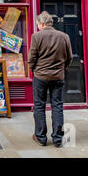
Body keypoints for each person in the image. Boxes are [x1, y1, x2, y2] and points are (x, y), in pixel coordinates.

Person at [28, 11, 72, 148]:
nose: (37, 27)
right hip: (58, 76)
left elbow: (31, 58)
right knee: (57, 105)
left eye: (38, 25)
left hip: (40, 76)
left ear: (42, 24)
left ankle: (41, 137)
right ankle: (58, 139)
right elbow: (69, 58)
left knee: (39, 106)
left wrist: (34, 70)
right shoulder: (64, 36)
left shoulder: (36, 37)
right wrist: (62, 70)